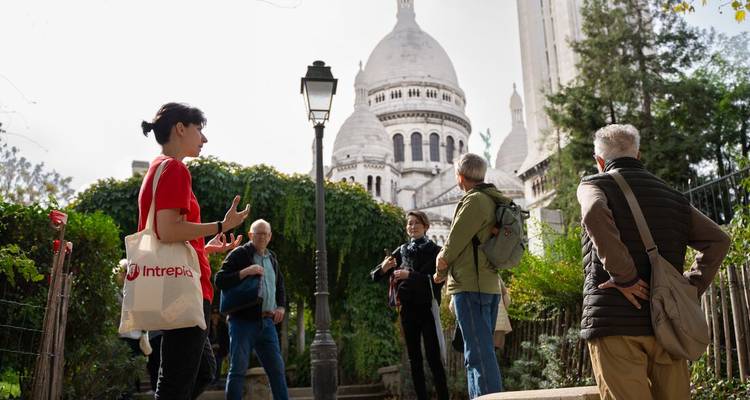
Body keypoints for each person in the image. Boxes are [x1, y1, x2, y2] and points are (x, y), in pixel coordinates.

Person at [577, 124, 730, 400]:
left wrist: (626, 276)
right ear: (638, 155)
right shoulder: (671, 196)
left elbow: (594, 211)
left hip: (615, 326)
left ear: (600, 161)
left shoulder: (594, 185)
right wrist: (690, 287)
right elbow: (719, 240)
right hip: (667, 325)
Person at [139, 102, 248, 399]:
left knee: (201, 372)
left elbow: (171, 232)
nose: (204, 138)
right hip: (183, 290)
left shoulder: (157, 167)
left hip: (173, 285)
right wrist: (220, 225)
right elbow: (168, 229)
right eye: (199, 129)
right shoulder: (174, 168)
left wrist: (203, 246)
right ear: (180, 129)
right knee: (175, 384)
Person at [434, 153, 507, 398]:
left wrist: (440, 270)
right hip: (487, 285)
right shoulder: (493, 198)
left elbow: (453, 243)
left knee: (477, 353)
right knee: (478, 350)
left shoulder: (474, 201)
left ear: (460, 177)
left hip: (471, 285)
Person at [371, 211, 449, 400]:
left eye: (416, 223)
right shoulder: (402, 250)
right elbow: (374, 276)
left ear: (426, 226)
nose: (412, 227)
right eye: (409, 224)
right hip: (407, 311)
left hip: (428, 308)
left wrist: (409, 276)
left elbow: (437, 281)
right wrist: (384, 268)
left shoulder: (436, 251)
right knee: (414, 359)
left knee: (433, 358)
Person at [215, 219, 288, 400]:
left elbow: (280, 286)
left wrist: (281, 307)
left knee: (277, 371)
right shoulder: (239, 254)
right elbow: (220, 280)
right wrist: (245, 271)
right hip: (242, 322)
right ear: (250, 235)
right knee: (238, 369)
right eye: (258, 233)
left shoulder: (272, 258)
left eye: (265, 233)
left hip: (267, 323)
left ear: (270, 236)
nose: (262, 236)